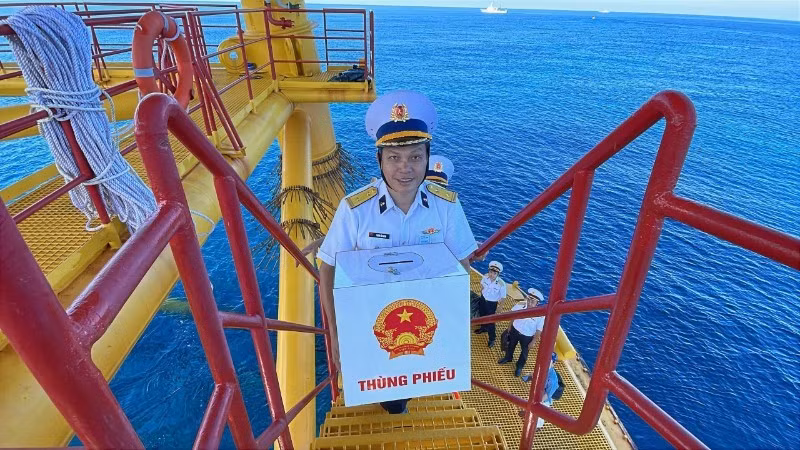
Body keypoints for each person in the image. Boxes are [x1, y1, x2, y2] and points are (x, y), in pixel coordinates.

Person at [317, 90, 478, 414]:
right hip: (371, 322)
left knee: (417, 381)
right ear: (380, 160)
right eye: (394, 158)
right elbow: (328, 267)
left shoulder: (447, 206)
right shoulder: (355, 209)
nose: (405, 168)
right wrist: (335, 334)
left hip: (425, 321)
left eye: (415, 157)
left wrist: (455, 328)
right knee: (386, 393)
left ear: (427, 158)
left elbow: (461, 267)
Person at [300, 154, 457, 260]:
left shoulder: (444, 210)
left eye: (439, 188)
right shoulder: (375, 207)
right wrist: (324, 241)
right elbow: (362, 231)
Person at [498, 287, 544, 377]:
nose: (529, 303)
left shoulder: (540, 315)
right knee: (510, 345)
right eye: (529, 299)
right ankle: (508, 358)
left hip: (527, 336)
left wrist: (533, 342)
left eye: (533, 301)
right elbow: (513, 315)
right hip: (515, 330)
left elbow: (539, 330)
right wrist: (509, 326)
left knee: (524, 353)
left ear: (537, 303)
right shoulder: (520, 304)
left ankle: (519, 367)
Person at [474, 261, 507, 348]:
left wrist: (500, 307)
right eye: (491, 272)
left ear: (498, 274)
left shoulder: (501, 284)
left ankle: (492, 338)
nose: (492, 274)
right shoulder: (485, 277)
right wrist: (482, 294)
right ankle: (483, 328)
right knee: (482, 315)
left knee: (490, 321)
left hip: (492, 304)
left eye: (494, 273)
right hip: (483, 299)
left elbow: (503, 297)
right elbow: (482, 286)